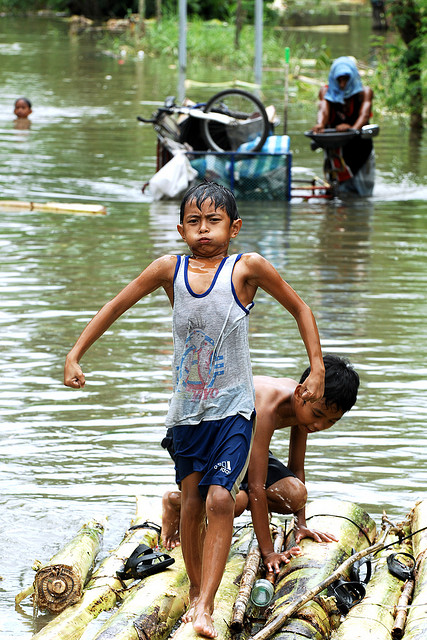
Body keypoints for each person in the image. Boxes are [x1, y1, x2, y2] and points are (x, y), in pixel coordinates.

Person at [64, 181, 325, 638]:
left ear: (234, 226)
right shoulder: (170, 270)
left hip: (233, 409)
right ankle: (197, 592)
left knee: (220, 498)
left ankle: (205, 606)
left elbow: (300, 308)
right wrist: (75, 354)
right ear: (181, 228)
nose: (203, 230)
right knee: (191, 503)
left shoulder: (247, 269)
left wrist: (317, 369)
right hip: (187, 412)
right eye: (193, 222)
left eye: (214, 221)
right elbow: (116, 306)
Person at [161, 355, 359, 576]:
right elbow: (256, 486)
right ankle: (177, 502)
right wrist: (268, 553)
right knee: (236, 501)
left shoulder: (307, 402)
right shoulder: (268, 408)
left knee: (294, 495)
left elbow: (297, 468)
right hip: (199, 436)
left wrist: (300, 524)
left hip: (242, 442)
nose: (319, 425)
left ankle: (226, 499)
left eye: (331, 421)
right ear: (300, 394)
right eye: (318, 415)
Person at [312, 56, 375, 195]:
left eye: (345, 80)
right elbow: (324, 110)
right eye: (339, 80)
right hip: (335, 149)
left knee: (364, 194)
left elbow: (364, 115)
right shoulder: (326, 92)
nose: (342, 85)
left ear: (352, 78)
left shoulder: (364, 93)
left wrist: (352, 129)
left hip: (360, 149)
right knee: (333, 192)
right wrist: (320, 124)